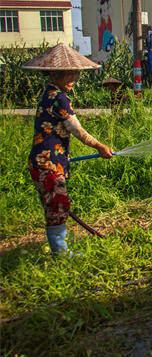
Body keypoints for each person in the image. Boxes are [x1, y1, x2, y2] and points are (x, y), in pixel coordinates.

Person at [22, 44, 114, 256]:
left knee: (57, 204)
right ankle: (60, 253)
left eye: (75, 72)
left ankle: (60, 249)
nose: (74, 77)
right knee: (57, 205)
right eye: (69, 73)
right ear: (56, 74)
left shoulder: (49, 94)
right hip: (47, 163)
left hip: (46, 162)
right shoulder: (59, 98)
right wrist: (100, 147)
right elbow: (76, 129)